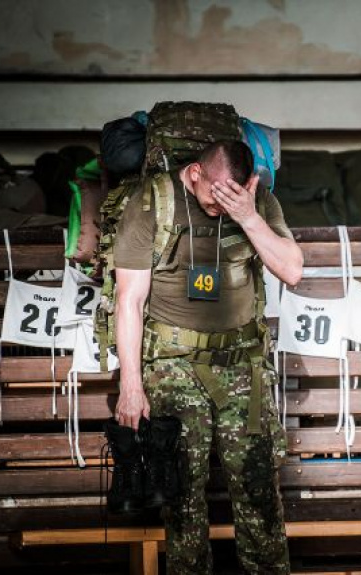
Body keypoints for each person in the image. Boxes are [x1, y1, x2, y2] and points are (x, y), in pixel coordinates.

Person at [112, 138, 302, 574]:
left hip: (242, 365)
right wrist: (131, 386)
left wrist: (248, 216)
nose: (220, 207)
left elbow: (292, 270)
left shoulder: (257, 203)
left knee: (259, 491)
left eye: (232, 197)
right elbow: (129, 301)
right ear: (195, 173)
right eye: (214, 197)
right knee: (182, 499)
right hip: (174, 365)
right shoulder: (152, 202)